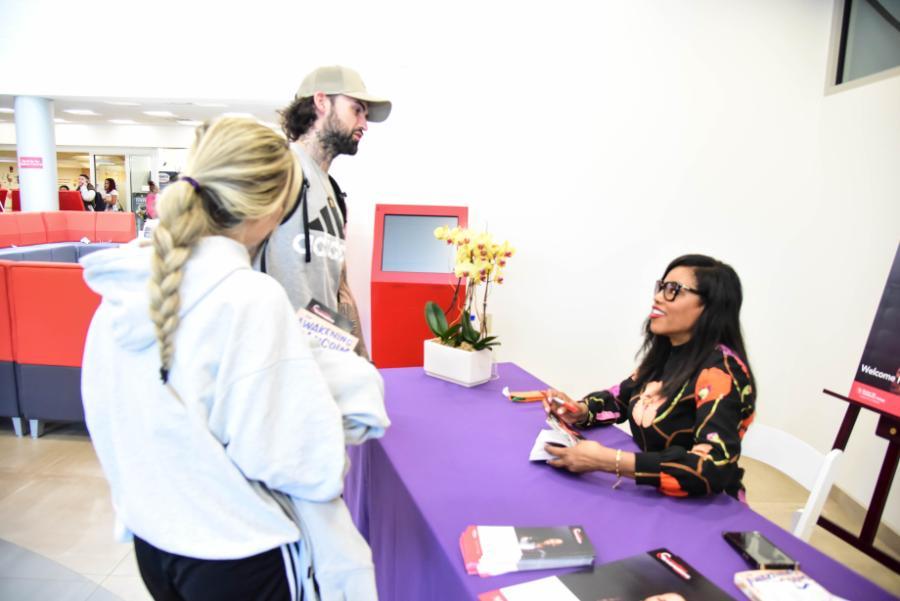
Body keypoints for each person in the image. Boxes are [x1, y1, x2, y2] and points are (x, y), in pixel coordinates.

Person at [81, 117, 387, 600]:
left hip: (155, 542)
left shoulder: (123, 284)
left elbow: (106, 408)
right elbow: (297, 460)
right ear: (271, 208)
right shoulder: (249, 298)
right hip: (240, 555)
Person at [543, 254, 756, 499]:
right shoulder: (669, 353)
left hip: (705, 507)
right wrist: (580, 410)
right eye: (661, 287)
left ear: (710, 306)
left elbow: (711, 468)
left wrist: (609, 461)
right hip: (655, 494)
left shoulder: (723, 372)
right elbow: (620, 399)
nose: (657, 297)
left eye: (674, 290)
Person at [257, 65, 392, 359]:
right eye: (357, 109)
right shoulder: (276, 170)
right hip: (275, 363)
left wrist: (359, 361)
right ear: (321, 101)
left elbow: (336, 291)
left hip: (319, 365)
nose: (364, 124)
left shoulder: (332, 191)